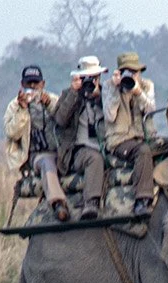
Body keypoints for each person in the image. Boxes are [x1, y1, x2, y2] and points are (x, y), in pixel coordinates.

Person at [3, 64, 69, 221]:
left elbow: (66, 120)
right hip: (35, 156)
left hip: (59, 151)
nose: (32, 87)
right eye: (28, 84)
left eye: (36, 83)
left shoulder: (52, 99)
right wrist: (22, 110)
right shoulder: (14, 106)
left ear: (43, 84)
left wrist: (50, 106)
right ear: (22, 85)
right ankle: (57, 203)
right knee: (46, 162)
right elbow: (12, 132)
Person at [52, 55, 110, 219]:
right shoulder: (69, 94)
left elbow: (114, 114)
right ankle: (91, 203)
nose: (90, 82)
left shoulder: (108, 93)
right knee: (94, 158)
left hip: (108, 146)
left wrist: (100, 96)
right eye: (87, 78)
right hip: (80, 151)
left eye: (94, 78)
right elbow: (60, 120)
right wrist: (74, 94)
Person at [104, 52, 159, 216]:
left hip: (145, 136)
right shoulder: (109, 86)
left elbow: (150, 109)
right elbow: (110, 115)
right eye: (126, 72)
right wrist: (116, 89)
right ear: (119, 73)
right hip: (120, 140)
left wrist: (137, 92)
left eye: (135, 72)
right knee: (143, 151)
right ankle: (142, 200)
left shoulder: (147, 85)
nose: (132, 75)